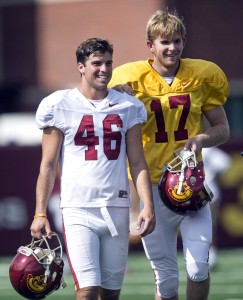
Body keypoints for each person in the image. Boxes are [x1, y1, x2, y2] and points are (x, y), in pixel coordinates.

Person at [109, 10, 230, 300]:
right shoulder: (129, 79)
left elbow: (222, 129)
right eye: (164, 42)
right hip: (151, 187)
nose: (171, 48)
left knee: (198, 267)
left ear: (184, 42)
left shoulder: (201, 75)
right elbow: (103, 117)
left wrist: (201, 138)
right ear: (150, 45)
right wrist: (115, 98)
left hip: (190, 184)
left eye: (176, 41)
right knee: (165, 278)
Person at [30, 37, 155, 300]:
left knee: (111, 293)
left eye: (109, 63)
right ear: (81, 67)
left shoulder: (128, 106)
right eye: (97, 63)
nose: (104, 69)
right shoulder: (59, 104)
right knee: (86, 291)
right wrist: (40, 212)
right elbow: (48, 165)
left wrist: (147, 205)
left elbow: (138, 161)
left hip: (117, 207)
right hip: (78, 209)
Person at [202, 146, 231, 270]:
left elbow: (225, 163)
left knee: (209, 225)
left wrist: (212, 175)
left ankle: (210, 254)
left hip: (208, 191)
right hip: (203, 191)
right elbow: (225, 164)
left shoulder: (206, 150)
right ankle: (208, 254)